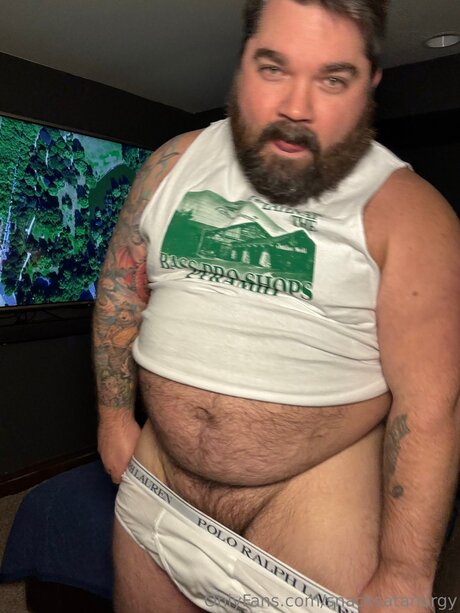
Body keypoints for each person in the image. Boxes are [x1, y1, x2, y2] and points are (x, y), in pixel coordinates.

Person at [93, 0, 460, 612]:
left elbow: (428, 410)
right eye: (273, 68)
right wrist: (112, 419)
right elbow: (119, 293)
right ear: (242, 64)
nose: (296, 106)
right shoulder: (170, 165)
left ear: (369, 85)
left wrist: (404, 574)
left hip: (307, 520)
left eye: (332, 78)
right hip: (155, 490)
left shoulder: (412, 214)